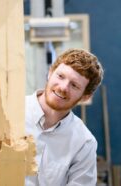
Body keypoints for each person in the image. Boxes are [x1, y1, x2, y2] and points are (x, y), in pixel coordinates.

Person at [25, 48, 104, 186]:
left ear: (85, 97)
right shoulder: (10, 113)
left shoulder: (84, 143)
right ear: (50, 73)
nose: (63, 87)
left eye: (74, 85)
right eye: (60, 76)